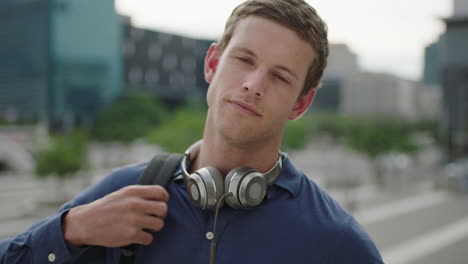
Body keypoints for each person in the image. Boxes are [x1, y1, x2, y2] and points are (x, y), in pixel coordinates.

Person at [0, 0, 384, 263]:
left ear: (300, 104)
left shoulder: (336, 242)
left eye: (280, 77)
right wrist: (71, 231)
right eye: (244, 60)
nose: (253, 84)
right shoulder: (124, 193)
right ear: (213, 65)